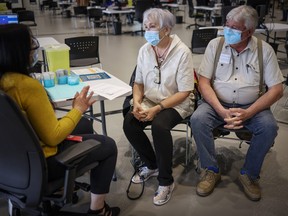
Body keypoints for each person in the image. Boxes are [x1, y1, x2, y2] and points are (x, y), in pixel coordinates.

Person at [0, 24, 120, 216]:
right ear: (19, 51)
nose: (34, 49)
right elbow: (54, 137)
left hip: (9, 164)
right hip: (41, 164)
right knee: (108, 145)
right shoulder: (26, 86)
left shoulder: (5, 83)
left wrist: (75, 115)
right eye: (31, 44)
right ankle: (98, 210)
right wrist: (78, 108)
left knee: (84, 124)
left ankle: (64, 187)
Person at [190, 5, 284, 201]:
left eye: (235, 27)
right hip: (217, 103)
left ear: (249, 31)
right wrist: (220, 110)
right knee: (198, 119)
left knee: (269, 127)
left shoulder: (264, 51)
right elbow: (204, 82)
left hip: (252, 106)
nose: (228, 30)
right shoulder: (215, 45)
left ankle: (249, 174)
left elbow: (277, 89)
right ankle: (210, 169)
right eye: (227, 25)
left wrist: (248, 113)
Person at [123, 8, 194, 206]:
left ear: (167, 29)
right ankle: (151, 165)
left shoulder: (182, 52)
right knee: (130, 123)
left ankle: (166, 181)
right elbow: (138, 82)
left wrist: (157, 109)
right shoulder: (145, 50)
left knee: (159, 126)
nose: (147, 31)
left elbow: (185, 91)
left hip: (176, 102)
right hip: (150, 100)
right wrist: (137, 102)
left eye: (152, 26)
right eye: (145, 26)